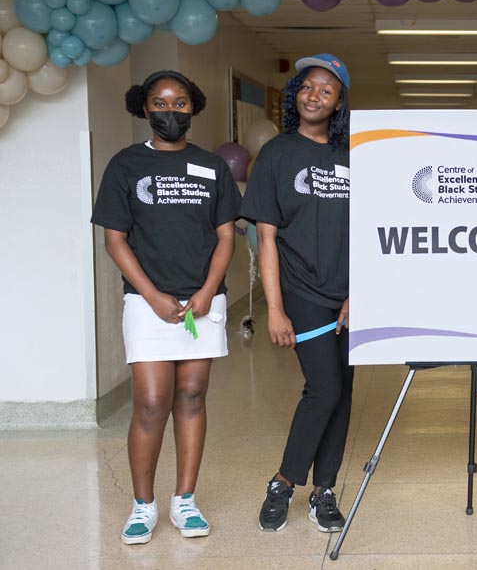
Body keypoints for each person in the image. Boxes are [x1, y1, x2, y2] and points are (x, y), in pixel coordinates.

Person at [91, 70, 242, 544]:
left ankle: (185, 502)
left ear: (193, 108)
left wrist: (207, 290)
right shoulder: (125, 165)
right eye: (160, 103)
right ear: (144, 108)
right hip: (147, 301)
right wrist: (153, 296)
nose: (170, 111)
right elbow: (115, 239)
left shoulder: (212, 168)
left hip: (202, 302)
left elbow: (225, 236)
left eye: (179, 103)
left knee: (192, 397)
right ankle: (143, 506)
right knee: (152, 402)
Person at [239, 54, 353, 534]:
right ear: (296, 94)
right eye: (308, 86)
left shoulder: (354, 155)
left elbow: (373, 231)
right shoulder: (276, 155)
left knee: (343, 394)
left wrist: (361, 292)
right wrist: (276, 310)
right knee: (323, 387)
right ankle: (284, 481)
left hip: (351, 294)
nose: (315, 95)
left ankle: (324, 490)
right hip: (302, 291)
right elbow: (266, 238)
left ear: (339, 102)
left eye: (326, 90)